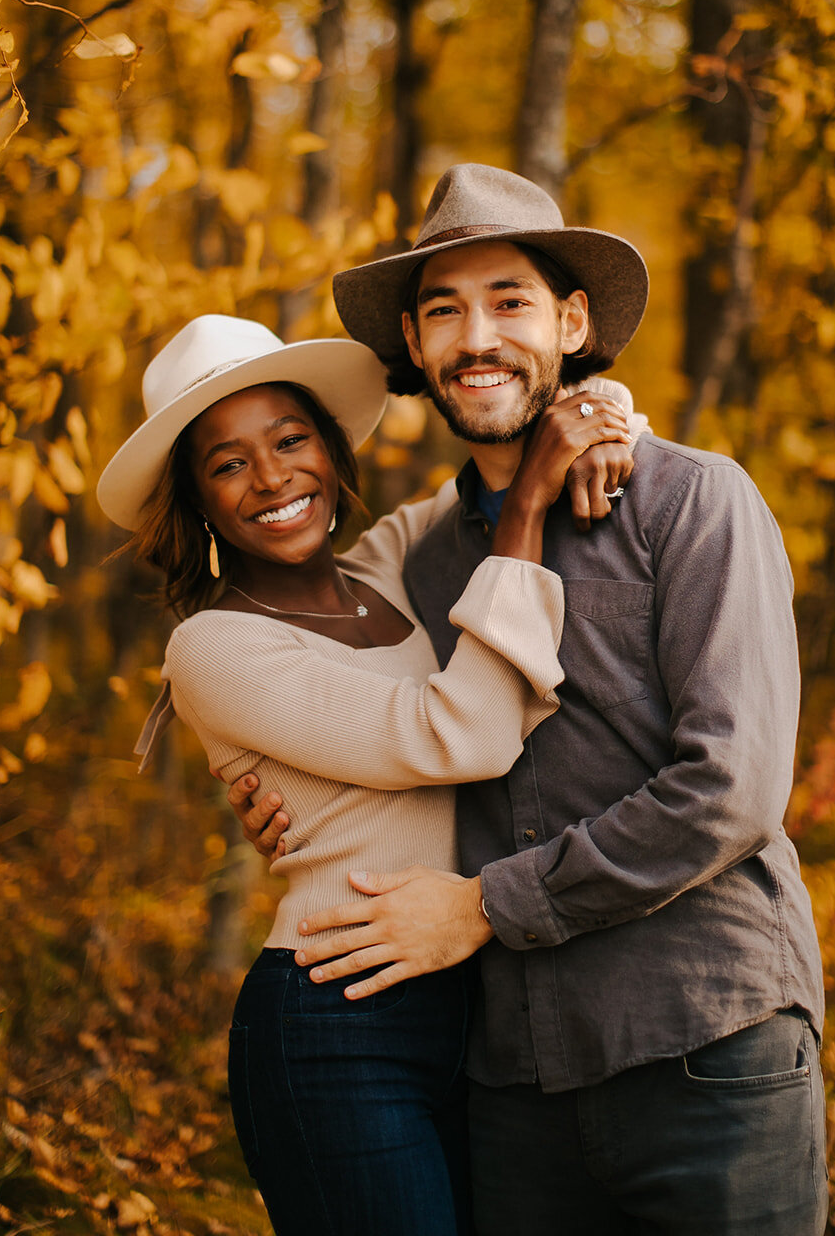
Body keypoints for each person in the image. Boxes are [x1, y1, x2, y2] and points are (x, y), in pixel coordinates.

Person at [237, 163, 828, 1236]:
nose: (476, 338)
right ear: (412, 347)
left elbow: (730, 787)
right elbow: (267, 640)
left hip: (703, 1041)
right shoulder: (414, 558)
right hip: (512, 1084)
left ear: (571, 322)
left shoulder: (692, 501)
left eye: (508, 301)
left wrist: (481, 905)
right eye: (441, 312)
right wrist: (256, 778)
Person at [96, 312, 642, 1236]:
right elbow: (456, 735)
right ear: (194, 501)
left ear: (332, 452)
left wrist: (605, 406)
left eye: (290, 439)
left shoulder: (386, 567)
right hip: (333, 1024)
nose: (271, 478)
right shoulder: (212, 647)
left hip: (476, 1006)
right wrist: (523, 517)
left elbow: (516, 450)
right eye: (227, 464)